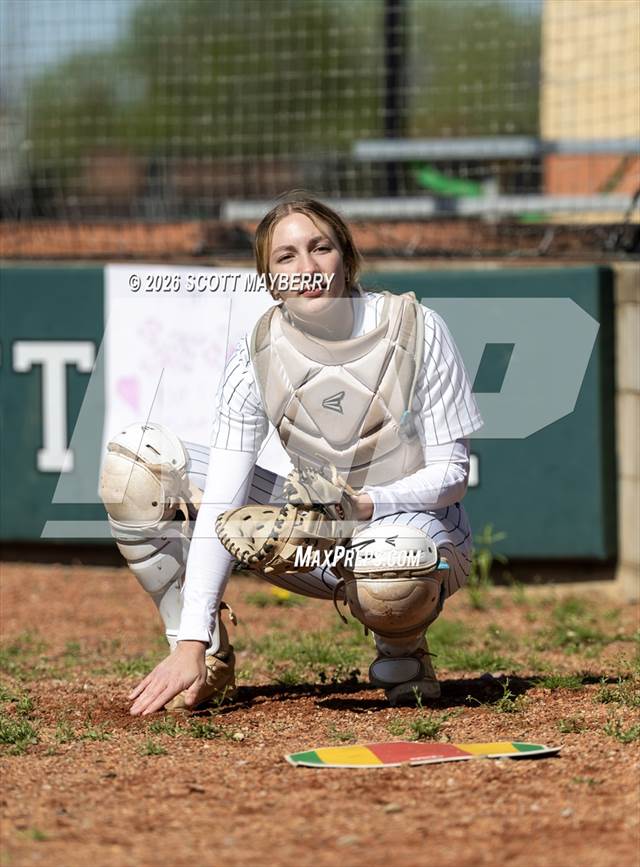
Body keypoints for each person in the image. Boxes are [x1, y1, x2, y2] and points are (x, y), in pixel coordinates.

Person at [99, 196, 483, 715]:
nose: (307, 268)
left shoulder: (418, 329)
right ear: (270, 279)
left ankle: (403, 650)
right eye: (286, 256)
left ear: (346, 258)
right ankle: (203, 657)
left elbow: (452, 474)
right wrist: (192, 636)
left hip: (422, 534)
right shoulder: (256, 354)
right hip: (317, 537)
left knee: (393, 556)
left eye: (320, 248)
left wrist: (363, 505)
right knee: (138, 467)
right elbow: (223, 499)